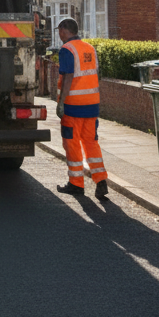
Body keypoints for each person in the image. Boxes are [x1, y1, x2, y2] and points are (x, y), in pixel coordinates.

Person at [54, 17, 109, 200]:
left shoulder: (67, 50)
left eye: (59, 31)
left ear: (64, 30)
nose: (59, 34)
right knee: (91, 142)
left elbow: (68, 76)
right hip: (92, 105)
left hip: (73, 106)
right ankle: (101, 180)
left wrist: (61, 103)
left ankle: (76, 184)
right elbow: (96, 75)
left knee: (72, 143)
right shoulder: (90, 49)